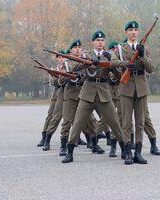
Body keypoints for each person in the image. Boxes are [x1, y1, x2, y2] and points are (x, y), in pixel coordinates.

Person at [62, 31, 127, 164]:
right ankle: (69, 152)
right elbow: (74, 66)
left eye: (102, 40)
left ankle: (124, 149)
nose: (100, 42)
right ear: (93, 42)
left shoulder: (109, 55)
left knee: (115, 123)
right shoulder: (86, 55)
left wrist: (111, 61)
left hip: (104, 92)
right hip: (87, 93)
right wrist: (88, 62)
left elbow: (118, 75)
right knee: (78, 123)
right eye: (97, 40)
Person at [110, 21, 154, 164]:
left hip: (141, 87)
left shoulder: (144, 48)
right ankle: (128, 153)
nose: (133, 32)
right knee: (127, 122)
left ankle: (138, 153)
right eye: (130, 30)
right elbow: (112, 62)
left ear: (138, 32)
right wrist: (126, 65)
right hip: (127, 86)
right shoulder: (121, 49)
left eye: (135, 30)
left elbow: (151, 68)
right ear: (126, 33)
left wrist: (143, 55)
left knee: (140, 122)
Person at [58, 39, 96, 156]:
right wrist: (73, 76)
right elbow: (60, 79)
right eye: (75, 48)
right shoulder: (66, 63)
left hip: (84, 93)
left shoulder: (86, 62)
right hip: (70, 93)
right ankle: (63, 146)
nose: (78, 49)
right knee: (67, 121)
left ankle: (93, 143)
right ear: (71, 50)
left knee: (90, 120)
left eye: (79, 48)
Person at [38, 50, 68, 151]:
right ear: (56, 59)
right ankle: (45, 139)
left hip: (70, 92)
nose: (61, 59)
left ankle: (87, 140)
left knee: (77, 118)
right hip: (58, 93)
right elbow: (53, 82)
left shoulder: (69, 67)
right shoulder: (54, 69)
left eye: (63, 57)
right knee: (53, 116)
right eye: (59, 57)